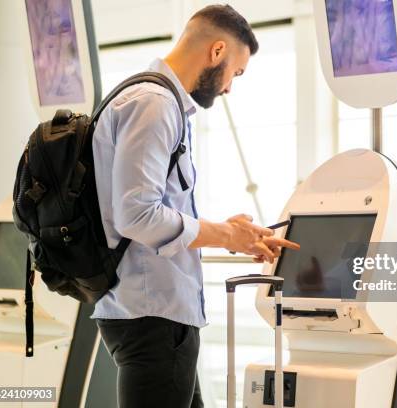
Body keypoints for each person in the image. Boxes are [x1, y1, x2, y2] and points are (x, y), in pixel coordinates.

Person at [91, 5, 300, 407]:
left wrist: (228, 231)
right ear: (217, 51)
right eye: (235, 73)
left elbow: (148, 205)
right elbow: (137, 214)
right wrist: (226, 236)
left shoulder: (143, 97)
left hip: (152, 314)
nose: (228, 88)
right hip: (152, 315)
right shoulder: (153, 104)